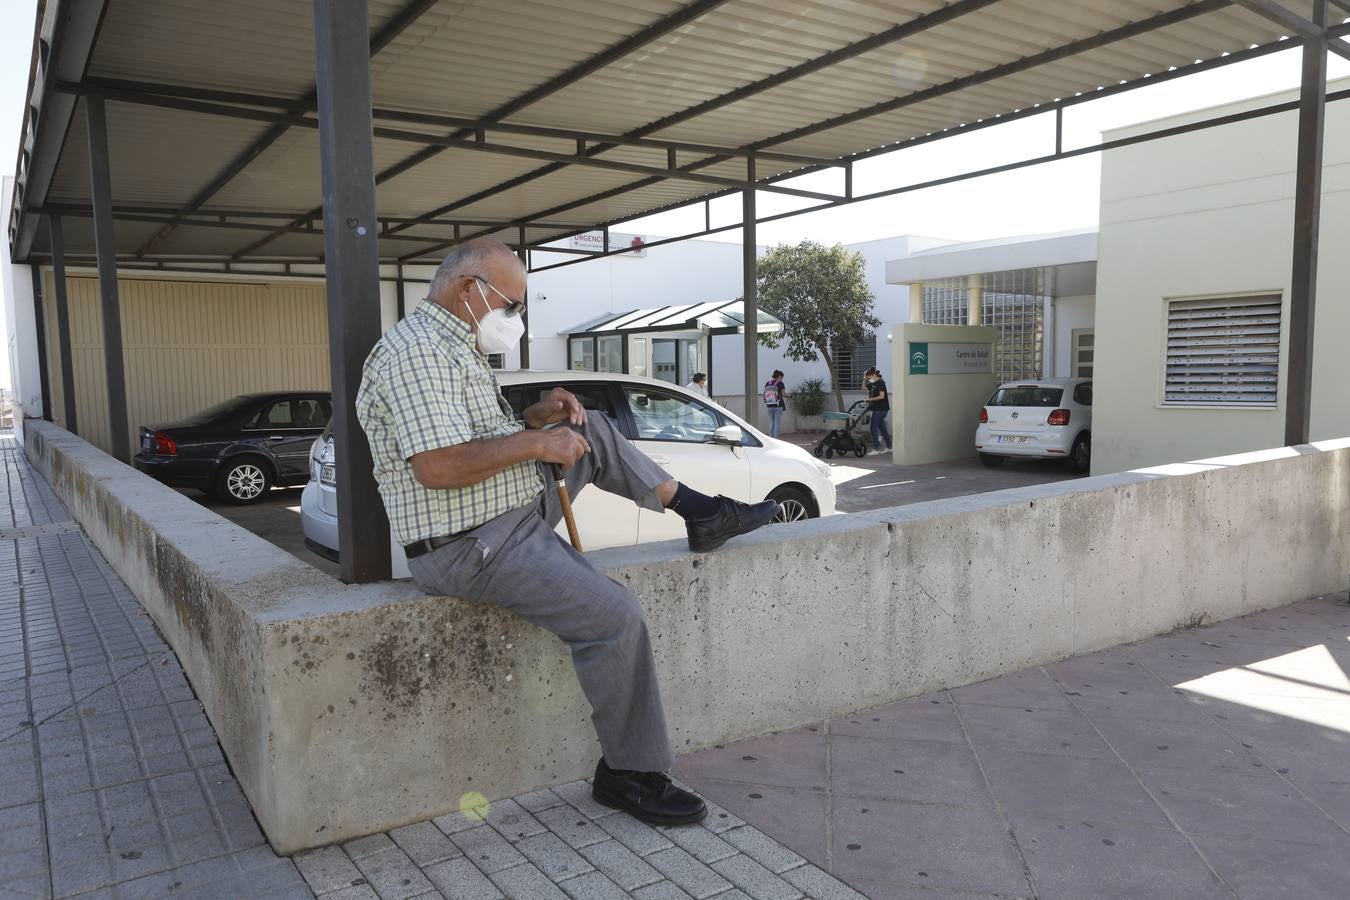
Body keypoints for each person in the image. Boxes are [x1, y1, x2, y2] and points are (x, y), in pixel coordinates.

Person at [355, 239, 780, 827]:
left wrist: (535, 420)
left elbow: (477, 437)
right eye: (512, 304)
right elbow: (438, 466)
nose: (516, 320)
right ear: (468, 290)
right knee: (615, 616)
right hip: (470, 544)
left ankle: (699, 511)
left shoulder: (453, 347)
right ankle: (627, 774)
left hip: (502, 516)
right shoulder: (415, 355)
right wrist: (535, 443)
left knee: (590, 427)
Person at [865, 368, 892, 455]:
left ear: (874, 375)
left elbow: (882, 396)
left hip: (880, 409)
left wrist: (870, 399)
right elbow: (863, 388)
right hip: (878, 409)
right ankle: (889, 447)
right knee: (882, 429)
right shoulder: (873, 382)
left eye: (869, 377)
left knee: (873, 428)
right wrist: (864, 378)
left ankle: (876, 449)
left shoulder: (880, 383)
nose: (869, 379)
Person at [763, 370, 786, 438]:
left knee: (772, 422)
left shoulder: (768, 383)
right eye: (781, 377)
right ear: (779, 376)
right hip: (778, 405)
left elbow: (765, 393)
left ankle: (770, 437)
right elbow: (783, 394)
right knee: (777, 423)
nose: (781, 379)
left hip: (769, 404)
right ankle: (776, 439)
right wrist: (789, 396)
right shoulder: (780, 383)